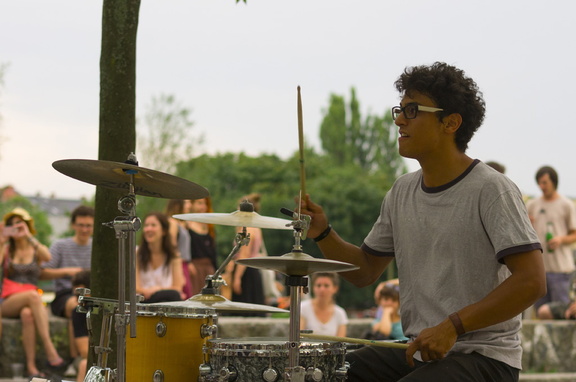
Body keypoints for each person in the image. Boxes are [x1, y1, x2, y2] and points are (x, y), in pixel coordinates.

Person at [298, 62, 546, 382]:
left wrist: (452, 326)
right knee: (327, 373)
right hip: (418, 351)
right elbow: (364, 271)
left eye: (412, 110)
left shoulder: (492, 189)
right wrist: (322, 232)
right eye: (399, 110)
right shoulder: (401, 191)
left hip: (483, 357)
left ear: (450, 122)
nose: (399, 119)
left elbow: (531, 282)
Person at [1, 208, 66, 379]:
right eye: (12, 225)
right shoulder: (7, 249)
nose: (16, 228)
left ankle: (31, 367)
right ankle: (50, 349)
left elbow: (48, 257)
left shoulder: (34, 248)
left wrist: (28, 236)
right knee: (33, 295)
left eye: (19, 224)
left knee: (28, 314)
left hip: (29, 302)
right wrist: (2, 241)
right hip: (8, 300)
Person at [41, 205, 94, 363]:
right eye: (81, 225)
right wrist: (67, 271)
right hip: (64, 295)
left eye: (88, 225)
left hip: (92, 294)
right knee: (77, 304)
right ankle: (76, 357)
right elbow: (42, 273)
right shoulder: (60, 245)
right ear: (73, 225)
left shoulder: (98, 246)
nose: (84, 229)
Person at [526, 166, 576, 313]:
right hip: (539, 270)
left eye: (545, 182)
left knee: (561, 313)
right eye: (539, 183)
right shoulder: (532, 205)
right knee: (541, 313)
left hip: (561, 270)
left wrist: (560, 239)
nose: (542, 187)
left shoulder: (566, 205)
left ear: (554, 182)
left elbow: (574, 234)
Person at [136, 212, 185, 303]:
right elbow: (135, 287)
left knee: (173, 295)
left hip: (165, 300)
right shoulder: (137, 253)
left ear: (164, 231)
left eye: (153, 225)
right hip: (144, 299)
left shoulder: (174, 256)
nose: (148, 229)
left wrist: (157, 290)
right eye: (146, 225)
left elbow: (177, 287)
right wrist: (147, 291)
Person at [183, 197, 217, 296]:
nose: (203, 207)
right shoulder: (187, 224)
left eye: (205, 204)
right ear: (192, 204)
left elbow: (213, 251)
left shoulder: (209, 226)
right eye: (199, 203)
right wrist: (188, 262)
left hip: (209, 270)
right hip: (194, 270)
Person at [300, 272, 348, 337]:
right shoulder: (303, 308)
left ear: (335, 288)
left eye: (326, 286)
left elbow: (341, 342)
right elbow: (299, 337)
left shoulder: (340, 313)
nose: (322, 289)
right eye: (318, 285)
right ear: (313, 287)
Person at [165, 199, 194, 299]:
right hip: (178, 264)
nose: (189, 205)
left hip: (184, 263)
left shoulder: (181, 223)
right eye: (186, 202)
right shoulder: (172, 222)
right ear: (177, 205)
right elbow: (172, 244)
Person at [70, 269, 91, 382]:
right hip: (88, 358)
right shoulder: (78, 312)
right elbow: (84, 351)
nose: (76, 299)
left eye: (80, 295)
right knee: (84, 364)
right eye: (75, 295)